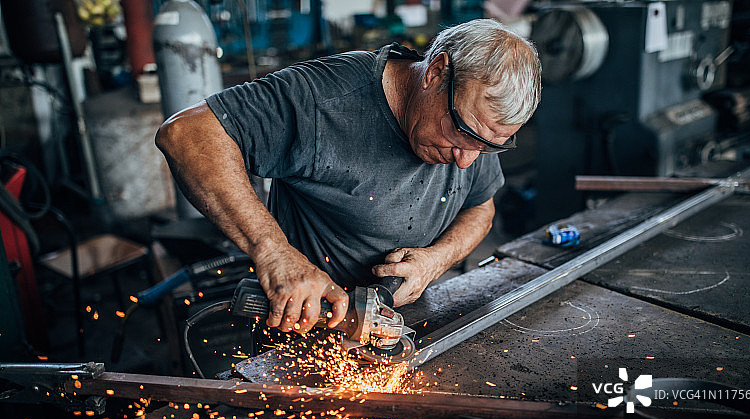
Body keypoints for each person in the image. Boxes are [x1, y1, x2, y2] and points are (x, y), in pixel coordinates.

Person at [155, 18, 541, 337]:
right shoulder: (325, 99)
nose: (466, 161)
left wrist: (434, 261)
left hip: (407, 324)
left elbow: (481, 208)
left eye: (489, 147)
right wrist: (274, 252)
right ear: (436, 73)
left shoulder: (474, 128)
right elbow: (186, 134)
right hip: (306, 328)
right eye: (462, 133)